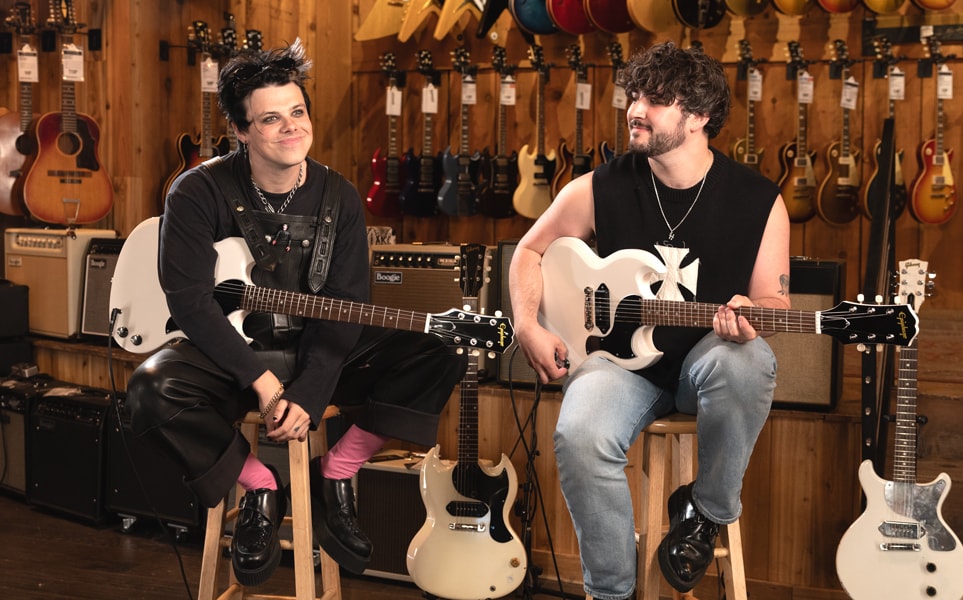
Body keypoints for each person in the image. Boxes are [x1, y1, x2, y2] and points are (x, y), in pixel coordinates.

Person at [125, 39, 466, 586]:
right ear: (240, 131)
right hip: (230, 356)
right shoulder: (195, 192)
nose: (291, 128)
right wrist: (261, 381)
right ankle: (260, 487)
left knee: (444, 346)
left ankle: (337, 474)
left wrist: (308, 393)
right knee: (148, 390)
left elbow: (346, 309)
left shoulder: (341, 196)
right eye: (270, 120)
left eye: (298, 112)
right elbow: (190, 302)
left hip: (315, 351)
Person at [508, 42, 790, 600]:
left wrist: (754, 317)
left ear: (700, 116)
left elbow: (774, 306)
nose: (636, 108)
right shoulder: (600, 185)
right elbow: (529, 251)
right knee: (580, 433)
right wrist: (526, 324)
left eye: (657, 100)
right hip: (616, 365)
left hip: (704, 364)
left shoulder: (759, 200)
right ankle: (611, 592)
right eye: (635, 95)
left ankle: (704, 513)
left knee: (750, 360)